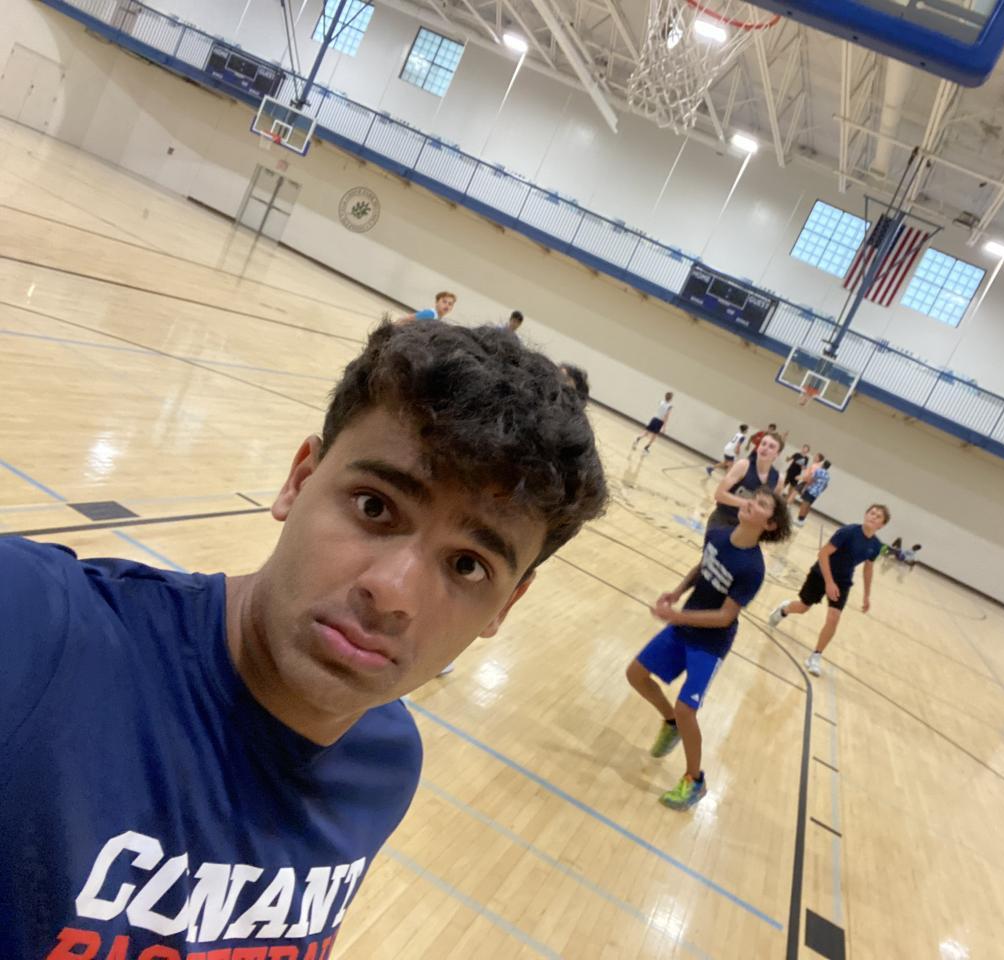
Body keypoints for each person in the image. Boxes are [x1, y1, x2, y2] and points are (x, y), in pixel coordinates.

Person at [0, 321, 608, 956]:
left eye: (466, 566)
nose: (392, 593)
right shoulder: (39, 630)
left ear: (506, 605)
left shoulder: (387, 762)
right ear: (299, 479)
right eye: (375, 507)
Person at [626, 488, 792, 810]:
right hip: (683, 626)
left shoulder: (752, 569)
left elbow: (725, 616)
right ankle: (670, 723)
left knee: (687, 708)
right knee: (635, 674)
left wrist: (677, 616)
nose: (750, 502)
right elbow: (703, 565)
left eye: (761, 504)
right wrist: (677, 592)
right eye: (753, 498)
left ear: (770, 525)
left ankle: (695, 781)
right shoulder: (718, 533)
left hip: (710, 643)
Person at [769, 504, 889, 675]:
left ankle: (815, 656)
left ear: (882, 525)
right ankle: (784, 609)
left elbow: (868, 569)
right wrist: (829, 582)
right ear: (866, 514)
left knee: (834, 618)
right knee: (803, 607)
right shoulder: (848, 532)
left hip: (843, 581)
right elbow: (823, 554)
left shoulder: (875, 546)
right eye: (871, 513)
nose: (873, 517)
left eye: (878, 516)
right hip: (821, 573)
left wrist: (866, 596)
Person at [707, 432, 784, 531]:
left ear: (777, 454)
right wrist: (748, 503)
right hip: (724, 519)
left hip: (748, 528)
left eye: (771, 446)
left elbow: (773, 510)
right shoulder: (743, 465)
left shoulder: (778, 479)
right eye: (763, 444)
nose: (765, 448)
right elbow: (719, 495)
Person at [796, 459, 831, 527]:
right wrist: (820, 491)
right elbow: (825, 486)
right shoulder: (827, 476)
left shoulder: (818, 470)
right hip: (816, 493)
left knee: (804, 505)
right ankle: (802, 520)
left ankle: (799, 520)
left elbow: (811, 479)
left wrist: (804, 488)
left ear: (823, 464)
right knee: (808, 506)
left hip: (810, 490)